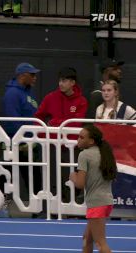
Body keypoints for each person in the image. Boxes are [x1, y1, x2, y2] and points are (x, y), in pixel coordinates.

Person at [35, 67, 88, 204]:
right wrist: (44, 136)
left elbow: (76, 124)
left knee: (71, 178)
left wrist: (54, 122)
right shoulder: (50, 98)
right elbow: (37, 119)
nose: (60, 84)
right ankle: (51, 209)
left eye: (64, 81)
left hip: (73, 147)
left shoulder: (81, 101)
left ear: (72, 82)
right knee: (52, 178)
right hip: (52, 146)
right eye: (59, 80)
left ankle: (71, 208)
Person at [70, 124, 117, 253]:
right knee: (87, 239)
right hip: (106, 201)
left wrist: (73, 176)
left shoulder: (84, 155)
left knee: (100, 243)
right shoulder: (104, 152)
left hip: (96, 204)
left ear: (91, 141)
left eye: (81, 137)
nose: (78, 140)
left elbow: (80, 183)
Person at [1, 62, 40, 218]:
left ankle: (37, 208)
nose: (35, 78)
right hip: (16, 144)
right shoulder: (12, 94)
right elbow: (12, 120)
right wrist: (24, 140)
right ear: (23, 76)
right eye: (32, 75)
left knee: (34, 176)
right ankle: (3, 208)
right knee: (8, 177)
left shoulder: (28, 93)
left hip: (29, 142)